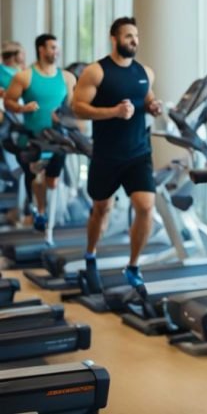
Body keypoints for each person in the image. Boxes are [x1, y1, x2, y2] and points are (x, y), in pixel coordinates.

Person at [72, 17, 163, 291]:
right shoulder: (96, 72)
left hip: (138, 153)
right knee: (101, 209)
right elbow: (78, 107)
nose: (134, 41)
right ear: (114, 39)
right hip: (107, 154)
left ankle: (133, 266)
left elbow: (147, 99)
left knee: (146, 207)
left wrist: (154, 106)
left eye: (136, 36)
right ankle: (90, 255)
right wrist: (113, 112)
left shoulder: (145, 72)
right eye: (128, 36)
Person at [3, 34, 77, 231]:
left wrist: (64, 117)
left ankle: (45, 212)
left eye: (57, 48)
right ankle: (40, 212)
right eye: (52, 47)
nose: (56, 51)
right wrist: (22, 109)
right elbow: (9, 101)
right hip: (33, 138)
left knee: (52, 181)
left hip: (57, 137)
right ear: (41, 50)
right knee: (36, 177)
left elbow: (73, 107)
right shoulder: (24, 76)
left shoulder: (67, 78)